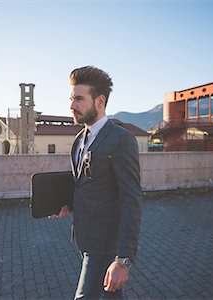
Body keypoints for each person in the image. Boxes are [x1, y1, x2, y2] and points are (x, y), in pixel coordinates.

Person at [50, 66, 142, 299]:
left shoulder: (121, 140)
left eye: (79, 99)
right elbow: (86, 184)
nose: (72, 106)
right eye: (71, 99)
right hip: (83, 237)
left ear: (100, 101)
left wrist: (123, 260)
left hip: (105, 244)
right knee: (111, 295)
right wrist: (66, 204)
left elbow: (132, 199)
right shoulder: (79, 140)